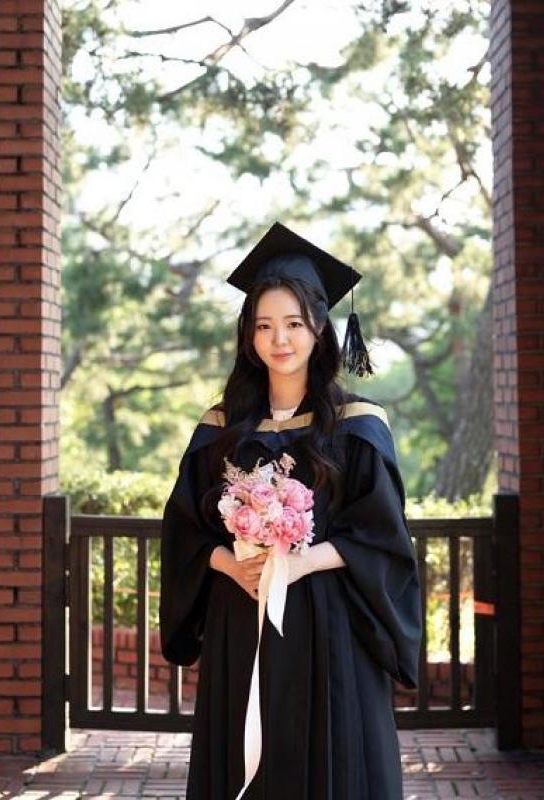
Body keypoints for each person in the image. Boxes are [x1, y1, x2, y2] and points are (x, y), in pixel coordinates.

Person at [159, 221, 422, 800]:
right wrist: (231, 563)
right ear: (249, 336)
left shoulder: (357, 426)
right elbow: (185, 530)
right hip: (241, 620)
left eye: (295, 324)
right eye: (265, 326)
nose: (280, 339)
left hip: (330, 627)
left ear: (320, 328)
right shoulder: (221, 428)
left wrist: (301, 563)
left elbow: (382, 536)